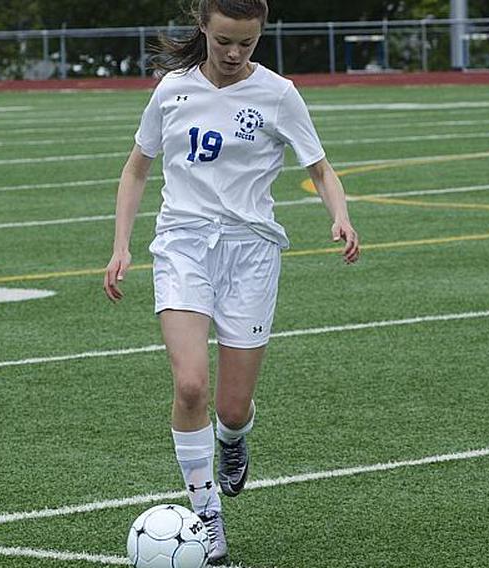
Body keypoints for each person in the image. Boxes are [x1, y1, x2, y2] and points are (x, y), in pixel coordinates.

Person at [103, 0, 360, 563]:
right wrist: (121, 245)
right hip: (183, 247)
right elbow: (137, 167)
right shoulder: (172, 89)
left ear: (260, 32)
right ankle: (206, 513)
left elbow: (319, 167)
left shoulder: (278, 94)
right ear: (204, 27)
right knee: (191, 384)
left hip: (252, 254)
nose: (235, 53)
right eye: (224, 40)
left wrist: (338, 214)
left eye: (246, 42)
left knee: (233, 407)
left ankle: (233, 441)